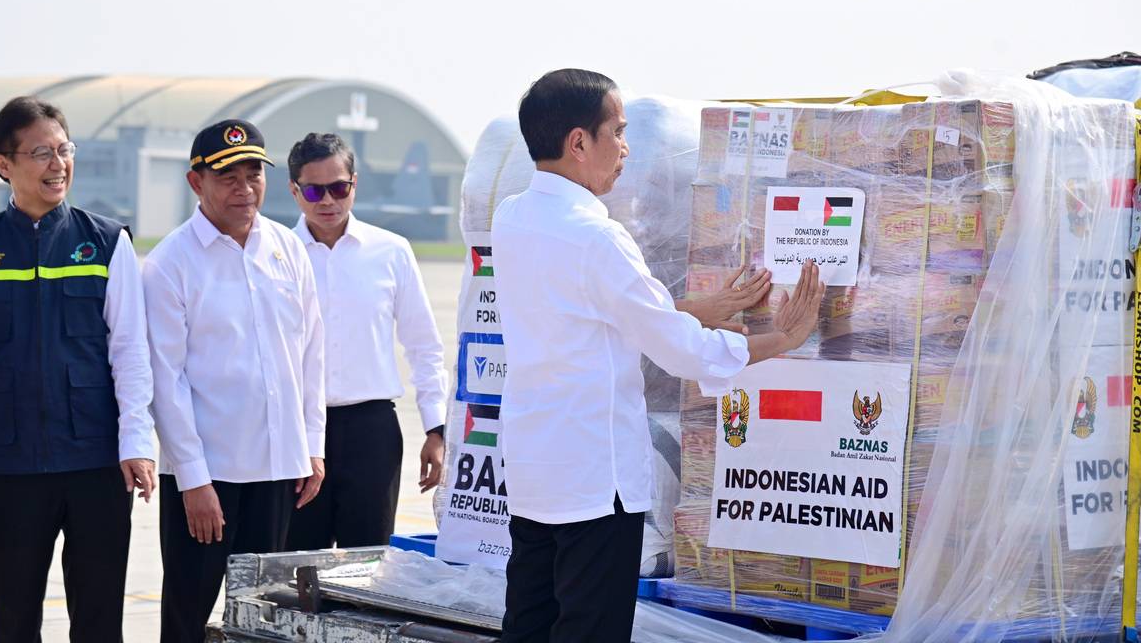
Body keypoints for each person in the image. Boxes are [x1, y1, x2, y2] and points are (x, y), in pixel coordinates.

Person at [491, 69, 825, 642]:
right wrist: (780, 341)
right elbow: (679, 352)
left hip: (535, 469)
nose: (625, 149)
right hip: (596, 479)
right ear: (578, 142)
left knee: (528, 627)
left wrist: (687, 307)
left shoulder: (512, 218)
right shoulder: (597, 236)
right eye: (617, 133)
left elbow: (586, 314)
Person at [0, 96, 155, 643]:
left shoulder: (108, 243)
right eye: (41, 152)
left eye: (65, 150)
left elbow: (131, 350)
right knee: (13, 619)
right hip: (8, 464)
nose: (58, 164)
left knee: (98, 616)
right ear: (4, 164)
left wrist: (136, 441)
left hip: (96, 461)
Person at [143, 119, 326, 643]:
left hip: (277, 469)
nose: (244, 189)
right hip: (210, 477)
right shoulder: (170, 264)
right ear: (195, 182)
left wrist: (312, 445)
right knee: (188, 611)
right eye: (228, 177)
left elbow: (310, 356)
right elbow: (166, 380)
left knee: (266, 617)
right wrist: (194, 480)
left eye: (253, 174)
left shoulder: (288, 250)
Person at [284, 132, 448, 549]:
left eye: (338, 188)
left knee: (370, 567)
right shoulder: (276, 255)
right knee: (297, 570)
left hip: (370, 433)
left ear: (354, 184)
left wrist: (436, 428)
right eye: (314, 190)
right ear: (294, 190)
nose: (327, 201)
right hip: (295, 432)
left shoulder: (391, 252)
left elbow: (424, 345)